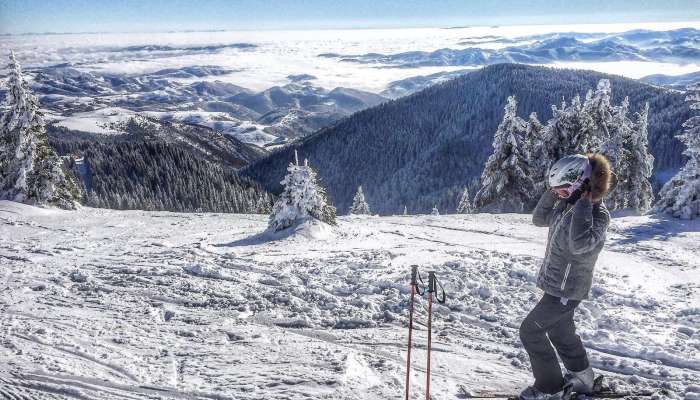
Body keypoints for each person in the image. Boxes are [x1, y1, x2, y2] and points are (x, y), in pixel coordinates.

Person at [518, 153, 612, 400]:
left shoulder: (597, 215)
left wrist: (583, 205)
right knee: (561, 332)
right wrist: (553, 193)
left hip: (567, 290)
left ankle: (550, 387)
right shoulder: (565, 204)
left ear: (579, 185)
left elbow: (579, 244)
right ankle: (582, 378)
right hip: (556, 285)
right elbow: (538, 220)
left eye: (561, 191)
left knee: (530, 331)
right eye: (556, 192)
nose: (557, 195)